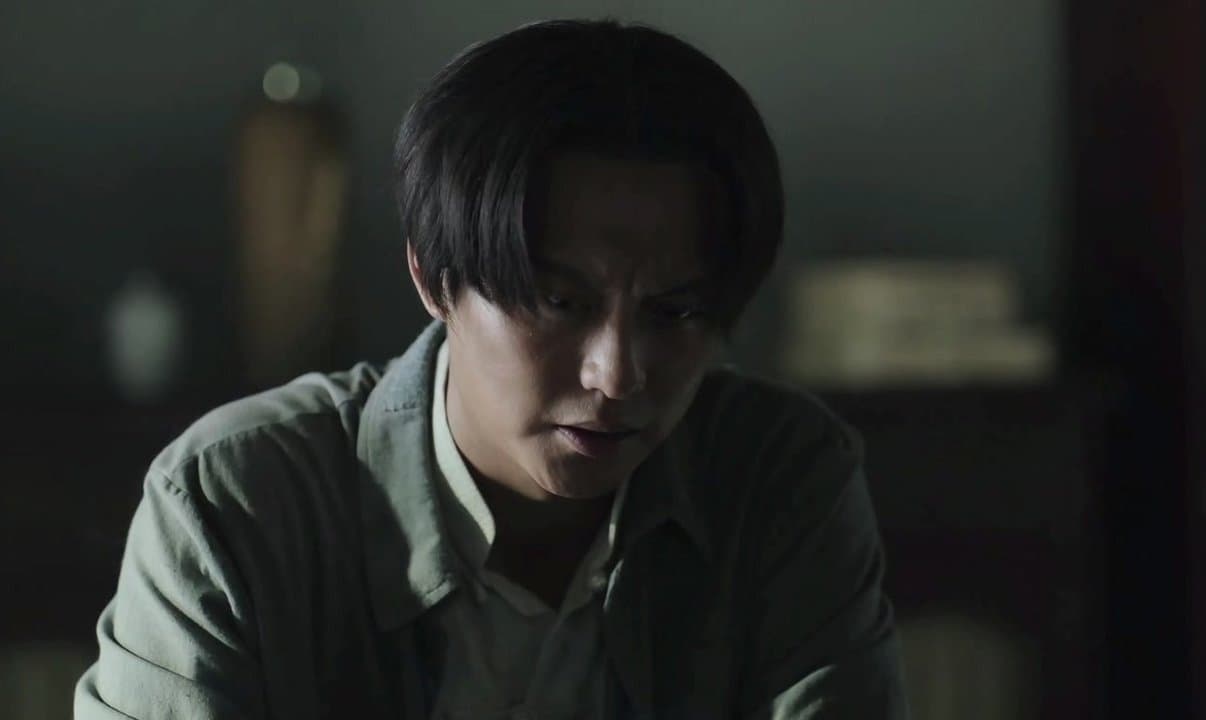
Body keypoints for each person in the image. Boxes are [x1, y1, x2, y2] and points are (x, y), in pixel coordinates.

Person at [75, 18, 907, 719]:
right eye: (559, 301)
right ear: (434, 278)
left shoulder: (777, 478)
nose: (618, 376)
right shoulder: (239, 502)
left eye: (676, 312)